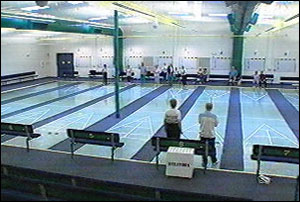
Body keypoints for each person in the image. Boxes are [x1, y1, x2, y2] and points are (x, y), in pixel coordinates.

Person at [198, 103, 219, 167]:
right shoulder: (214, 116)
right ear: (211, 108)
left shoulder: (201, 115)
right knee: (212, 148)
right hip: (211, 135)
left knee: (203, 149)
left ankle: (204, 162)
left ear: (205, 107)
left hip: (203, 134)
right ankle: (214, 160)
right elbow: (216, 125)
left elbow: (199, 122)